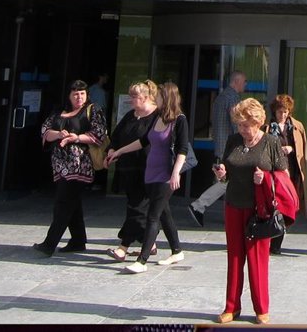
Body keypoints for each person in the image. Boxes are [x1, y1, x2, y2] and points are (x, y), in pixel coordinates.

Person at [211, 97, 287, 325]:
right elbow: (228, 173)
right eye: (239, 125)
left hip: (258, 210)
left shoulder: (271, 142)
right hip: (234, 205)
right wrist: (222, 174)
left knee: (257, 260)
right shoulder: (234, 140)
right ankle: (231, 307)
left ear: (258, 122)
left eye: (246, 125)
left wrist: (266, 177)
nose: (242, 130)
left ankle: (261, 309)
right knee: (234, 257)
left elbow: (283, 176)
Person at [107, 81, 190, 273]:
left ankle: (141, 261)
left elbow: (182, 149)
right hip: (151, 173)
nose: (155, 98)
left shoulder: (179, 120)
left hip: (165, 175)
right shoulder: (157, 117)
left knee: (153, 216)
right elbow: (143, 141)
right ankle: (177, 250)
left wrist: (176, 173)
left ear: (166, 98)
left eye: (158, 96)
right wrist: (119, 151)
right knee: (164, 213)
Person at [33, 79, 107, 256]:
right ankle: (78, 241)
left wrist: (76, 138)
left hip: (80, 165)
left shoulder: (93, 110)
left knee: (63, 202)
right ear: (69, 95)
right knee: (72, 202)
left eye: (82, 94)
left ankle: (49, 244)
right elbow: (45, 131)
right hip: (60, 165)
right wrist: (59, 134)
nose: (79, 97)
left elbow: (99, 134)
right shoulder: (59, 112)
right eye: (75, 94)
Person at [105, 79, 160, 262]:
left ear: (145, 97)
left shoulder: (156, 116)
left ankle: (123, 247)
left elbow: (148, 141)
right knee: (137, 207)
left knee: (137, 208)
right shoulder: (131, 115)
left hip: (148, 169)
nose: (131, 99)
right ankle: (150, 243)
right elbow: (116, 136)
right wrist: (112, 150)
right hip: (128, 168)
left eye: (134, 96)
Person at [188, 69, 247, 227]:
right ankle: (199, 205)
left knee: (225, 181)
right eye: (244, 81)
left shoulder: (221, 97)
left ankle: (229, 214)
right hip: (230, 148)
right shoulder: (233, 98)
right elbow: (237, 124)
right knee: (227, 181)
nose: (246, 84)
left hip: (221, 145)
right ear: (236, 82)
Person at [267, 94, 307, 255]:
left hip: (292, 172)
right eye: (280, 111)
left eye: (285, 111)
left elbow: (303, 150)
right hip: (276, 174)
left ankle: (277, 238)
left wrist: (291, 148)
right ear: (274, 111)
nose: (283, 115)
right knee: (276, 207)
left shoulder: (297, 126)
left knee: (290, 207)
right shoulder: (268, 127)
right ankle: (274, 243)